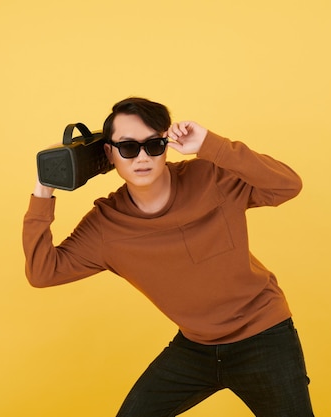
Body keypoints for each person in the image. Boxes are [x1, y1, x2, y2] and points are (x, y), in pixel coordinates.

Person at [22, 97, 315, 417]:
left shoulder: (210, 177)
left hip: (265, 338)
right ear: (109, 153)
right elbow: (43, 272)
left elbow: (287, 185)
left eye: (154, 144)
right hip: (196, 348)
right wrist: (43, 190)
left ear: (167, 144)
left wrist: (210, 144)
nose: (142, 157)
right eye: (129, 147)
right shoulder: (106, 226)